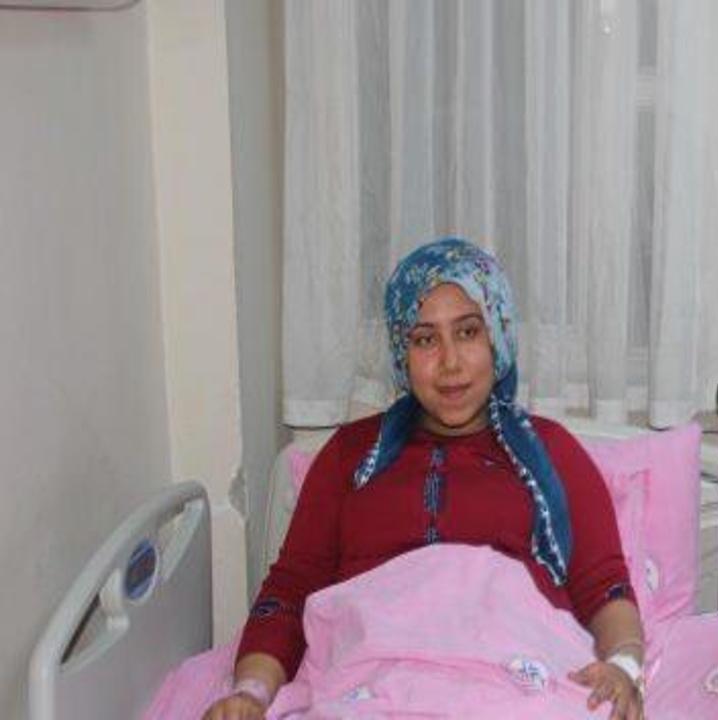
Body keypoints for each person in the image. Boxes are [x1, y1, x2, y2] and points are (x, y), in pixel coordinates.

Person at [204, 238, 645, 720]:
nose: (450, 363)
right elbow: (289, 593)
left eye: (468, 332)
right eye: (425, 340)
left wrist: (624, 666)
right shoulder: (349, 457)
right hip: (373, 685)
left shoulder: (551, 452)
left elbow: (604, 585)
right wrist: (251, 693)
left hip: (514, 683)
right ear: (402, 351)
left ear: (497, 337)